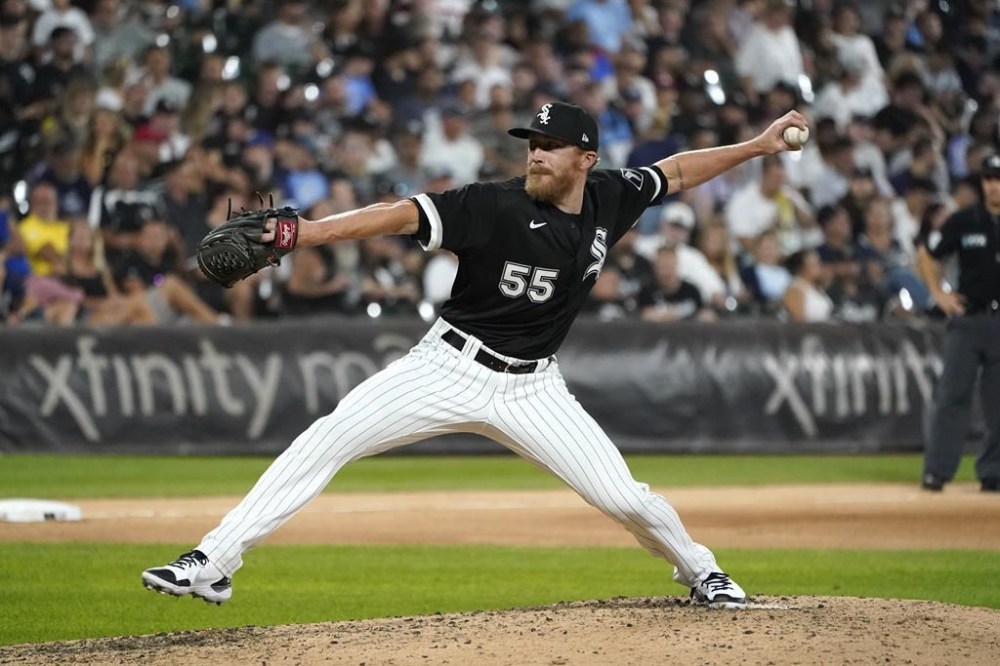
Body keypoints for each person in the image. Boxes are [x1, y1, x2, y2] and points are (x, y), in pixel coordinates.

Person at [141, 100, 810, 608]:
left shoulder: (612, 196)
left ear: (586, 159)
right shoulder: (490, 205)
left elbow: (679, 172)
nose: (537, 155)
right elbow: (399, 213)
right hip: (445, 367)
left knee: (624, 497)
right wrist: (310, 231)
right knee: (327, 438)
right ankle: (212, 560)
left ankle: (702, 570)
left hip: (534, 390)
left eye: (551, 146)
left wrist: (756, 145)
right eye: (532, 144)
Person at [916, 154, 1000, 493]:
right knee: (952, 396)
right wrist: (938, 293)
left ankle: (993, 472)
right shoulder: (965, 220)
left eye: (998, 178)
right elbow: (926, 253)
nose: (994, 185)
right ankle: (937, 471)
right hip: (968, 319)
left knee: (999, 402)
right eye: (989, 179)